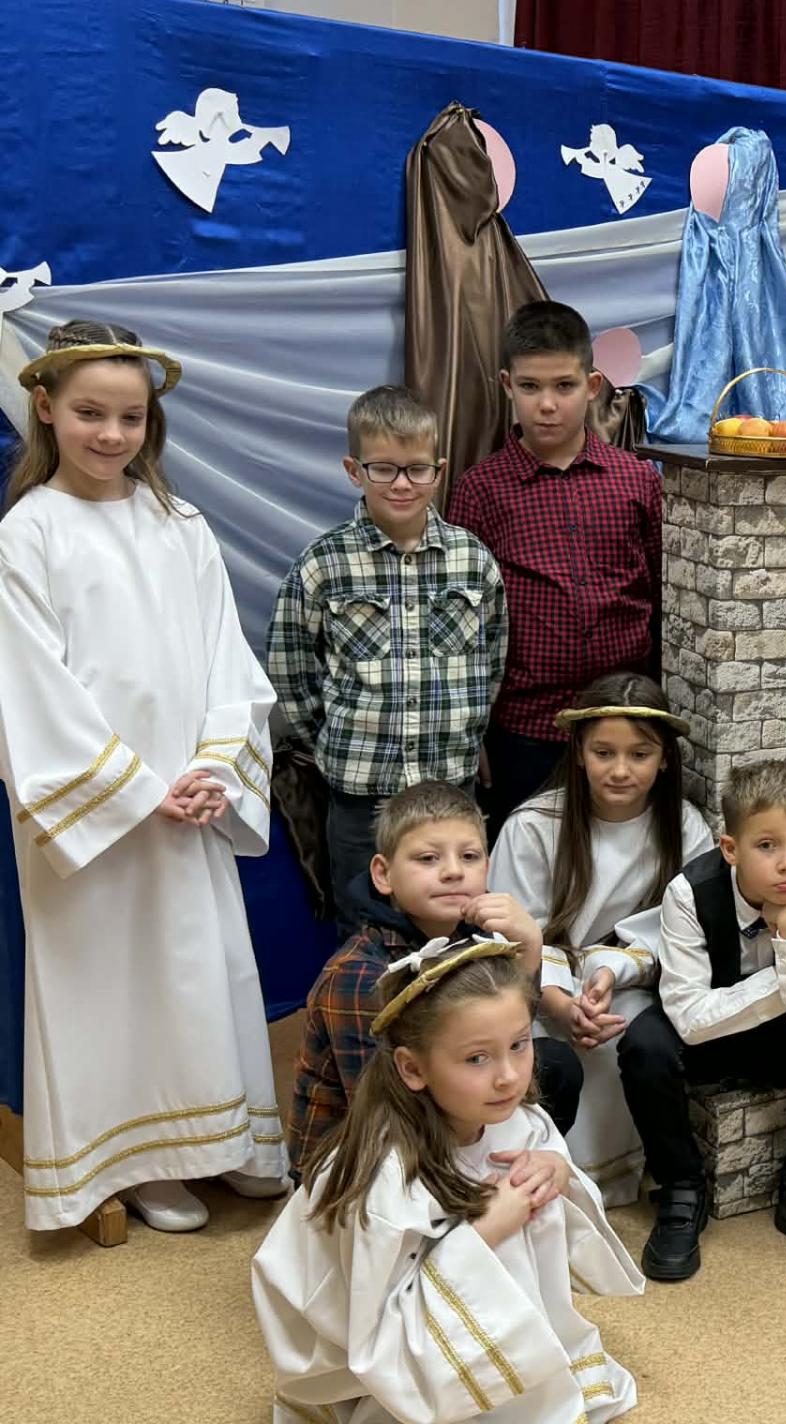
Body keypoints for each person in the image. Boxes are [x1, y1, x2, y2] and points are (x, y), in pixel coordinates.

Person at [0, 321, 285, 1233]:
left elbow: (226, 659)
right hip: (101, 817)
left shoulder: (181, 526)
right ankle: (143, 1161)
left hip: (189, 799)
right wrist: (134, 791)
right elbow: (30, 687)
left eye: (130, 417)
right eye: (91, 413)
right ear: (46, 407)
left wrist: (214, 768)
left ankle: (226, 1141)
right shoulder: (27, 533)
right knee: (114, 986)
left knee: (201, 972)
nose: (112, 434)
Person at [253, 939, 645, 1424]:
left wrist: (556, 1169)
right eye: (477, 1058)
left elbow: (553, 1176)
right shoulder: (384, 1176)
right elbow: (379, 1324)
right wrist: (485, 1232)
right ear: (413, 1068)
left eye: (519, 1045)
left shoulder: (517, 1119)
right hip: (394, 1358)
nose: (508, 1077)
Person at [266, 384, 506, 925]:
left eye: (417, 469)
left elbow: (491, 656)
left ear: (438, 471)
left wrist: (467, 728)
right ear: (354, 470)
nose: (402, 483)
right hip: (362, 794)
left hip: (449, 785)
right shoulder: (323, 564)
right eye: (384, 469)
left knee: (453, 917)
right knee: (364, 921)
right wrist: (332, 738)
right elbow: (290, 666)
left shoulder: (473, 561)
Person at [615, 760, 786, 1281]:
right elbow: (689, 1018)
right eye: (767, 845)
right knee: (644, 1044)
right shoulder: (689, 893)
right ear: (731, 849)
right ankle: (682, 1187)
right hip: (707, 1039)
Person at [491, 672, 714, 1205]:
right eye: (603, 752)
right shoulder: (533, 827)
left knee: (629, 1033)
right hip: (538, 989)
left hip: (632, 985)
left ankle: (618, 1174)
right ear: (579, 752)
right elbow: (512, 937)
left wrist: (612, 974)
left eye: (639, 754)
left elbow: (686, 932)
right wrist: (560, 1003)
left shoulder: (685, 828)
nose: (620, 770)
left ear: (664, 759)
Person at [286, 782, 583, 1177]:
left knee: (556, 1065)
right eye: (428, 858)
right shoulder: (359, 975)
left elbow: (507, 1035)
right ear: (383, 874)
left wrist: (530, 951)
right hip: (359, 1162)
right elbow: (384, 1113)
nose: (454, 871)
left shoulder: (476, 936)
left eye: (469, 856)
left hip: (441, 1108)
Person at [448, 300, 664, 829]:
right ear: (507, 385)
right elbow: (460, 628)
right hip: (524, 731)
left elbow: (665, 599)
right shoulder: (480, 491)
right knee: (528, 858)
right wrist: (472, 732)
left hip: (624, 725)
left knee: (622, 856)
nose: (547, 404)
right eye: (530, 386)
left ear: (592, 386)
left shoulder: (636, 480)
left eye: (564, 386)